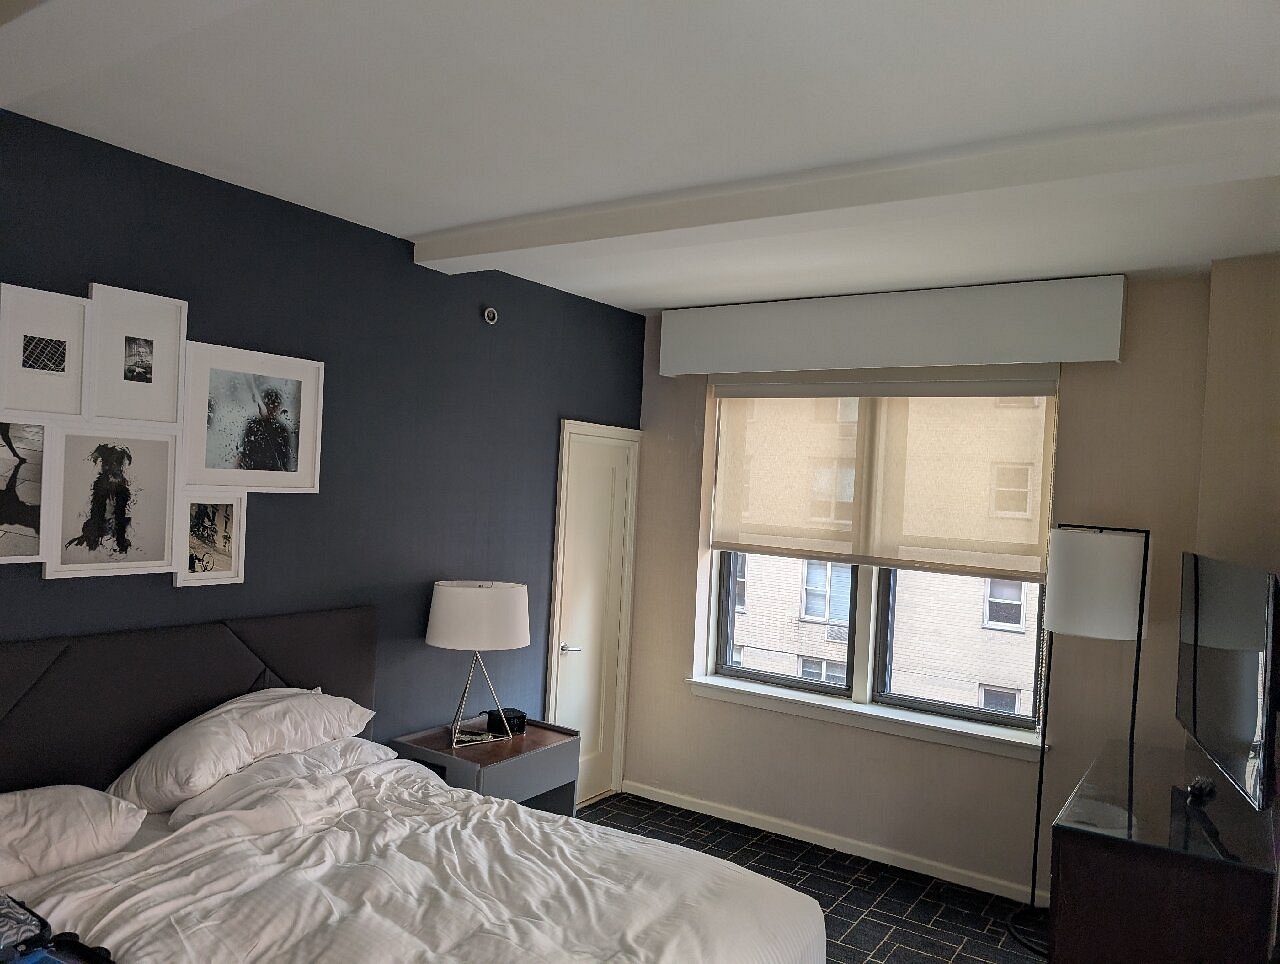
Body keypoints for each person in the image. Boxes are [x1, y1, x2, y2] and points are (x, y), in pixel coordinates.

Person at [236, 388, 295, 471]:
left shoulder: (282, 430)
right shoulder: (253, 425)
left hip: (271, 473)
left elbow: (285, 458)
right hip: (253, 471)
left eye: (274, 406)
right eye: (268, 405)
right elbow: (244, 451)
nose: (271, 409)